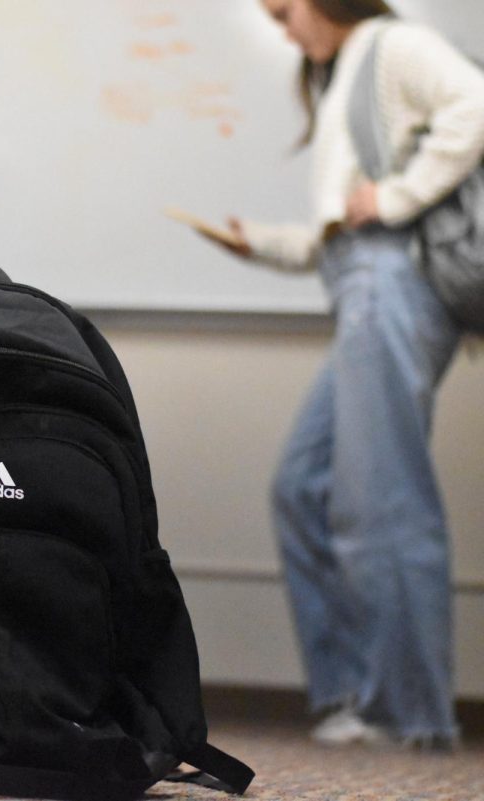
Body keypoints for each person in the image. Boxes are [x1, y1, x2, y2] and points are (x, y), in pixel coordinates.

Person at [193, 0, 484, 749]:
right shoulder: (341, 78)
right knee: (305, 486)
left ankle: (407, 716)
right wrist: (256, 243)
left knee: (380, 499)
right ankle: (352, 695)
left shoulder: (388, 46)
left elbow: (475, 104)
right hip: (366, 281)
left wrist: (397, 196)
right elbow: (340, 236)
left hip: (393, 285)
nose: (284, 31)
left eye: (286, 11)